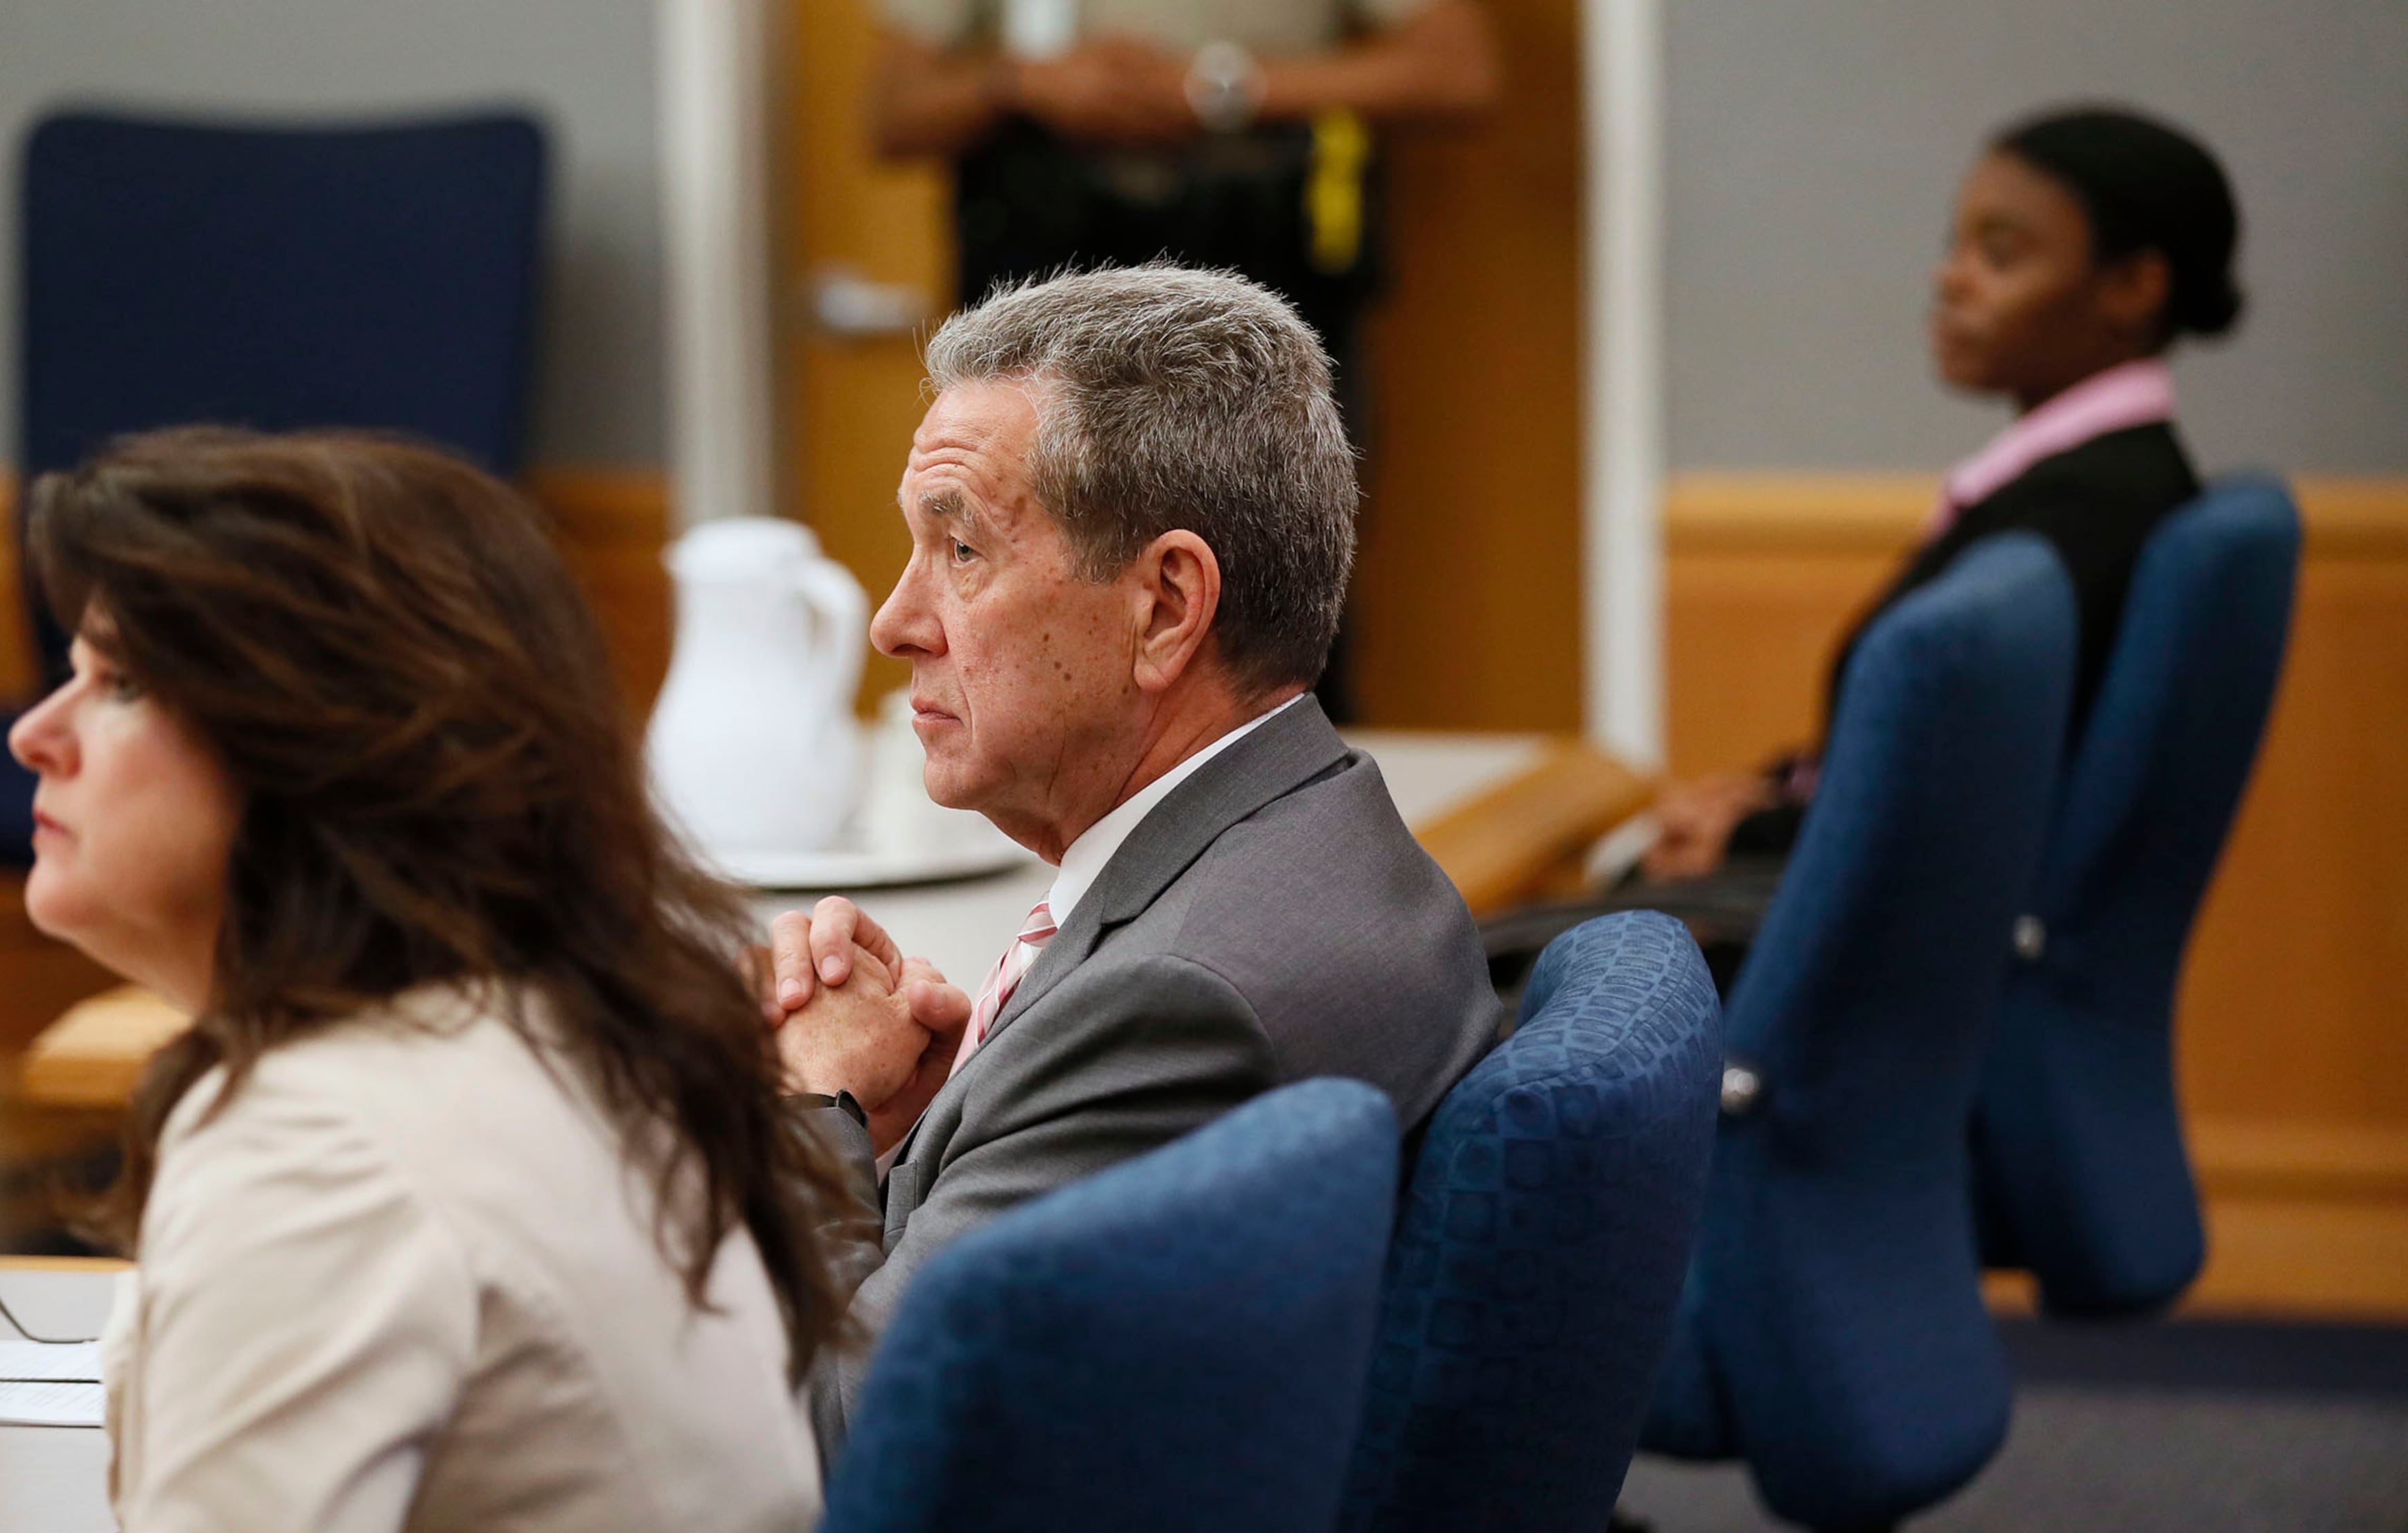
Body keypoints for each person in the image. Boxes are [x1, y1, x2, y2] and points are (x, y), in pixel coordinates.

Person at [6, 428, 830, 1533]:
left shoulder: (324, 1149)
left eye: (120, 685)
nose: (36, 730)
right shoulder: (571, 1022)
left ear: (327, 742)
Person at [761, 264, 1504, 1453]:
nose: (895, 622)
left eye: (958, 549)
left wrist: (810, 1106)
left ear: (1165, 604)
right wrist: (947, 1122)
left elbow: (838, 1448)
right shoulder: (1312, 841)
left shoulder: (1181, 999)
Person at [1647, 106, 2244, 882]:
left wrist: (1746, 843)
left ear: (2133, 286)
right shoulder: (2087, 480)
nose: (1950, 277)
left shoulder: (2085, 515)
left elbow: (1957, 809)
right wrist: (1767, 795)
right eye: (1953, 246)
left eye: (1998, 255)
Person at [865, 0, 1503, 718]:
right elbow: (893, 108)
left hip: (1259, 288)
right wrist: (1021, 84)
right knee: (1016, 602)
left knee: (1266, 622)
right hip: (1048, 281)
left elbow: (1457, 70)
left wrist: (1221, 90)